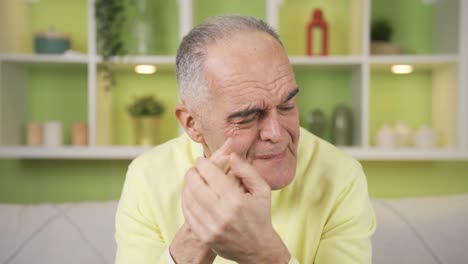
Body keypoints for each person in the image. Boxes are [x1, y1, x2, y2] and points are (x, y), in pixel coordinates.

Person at [115, 15, 376, 264]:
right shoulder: (147, 177)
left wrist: (264, 254)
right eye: (247, 117)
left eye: (287, 105)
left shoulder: (340, 176)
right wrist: (201, 233)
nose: (276, 133)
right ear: (191, 124)